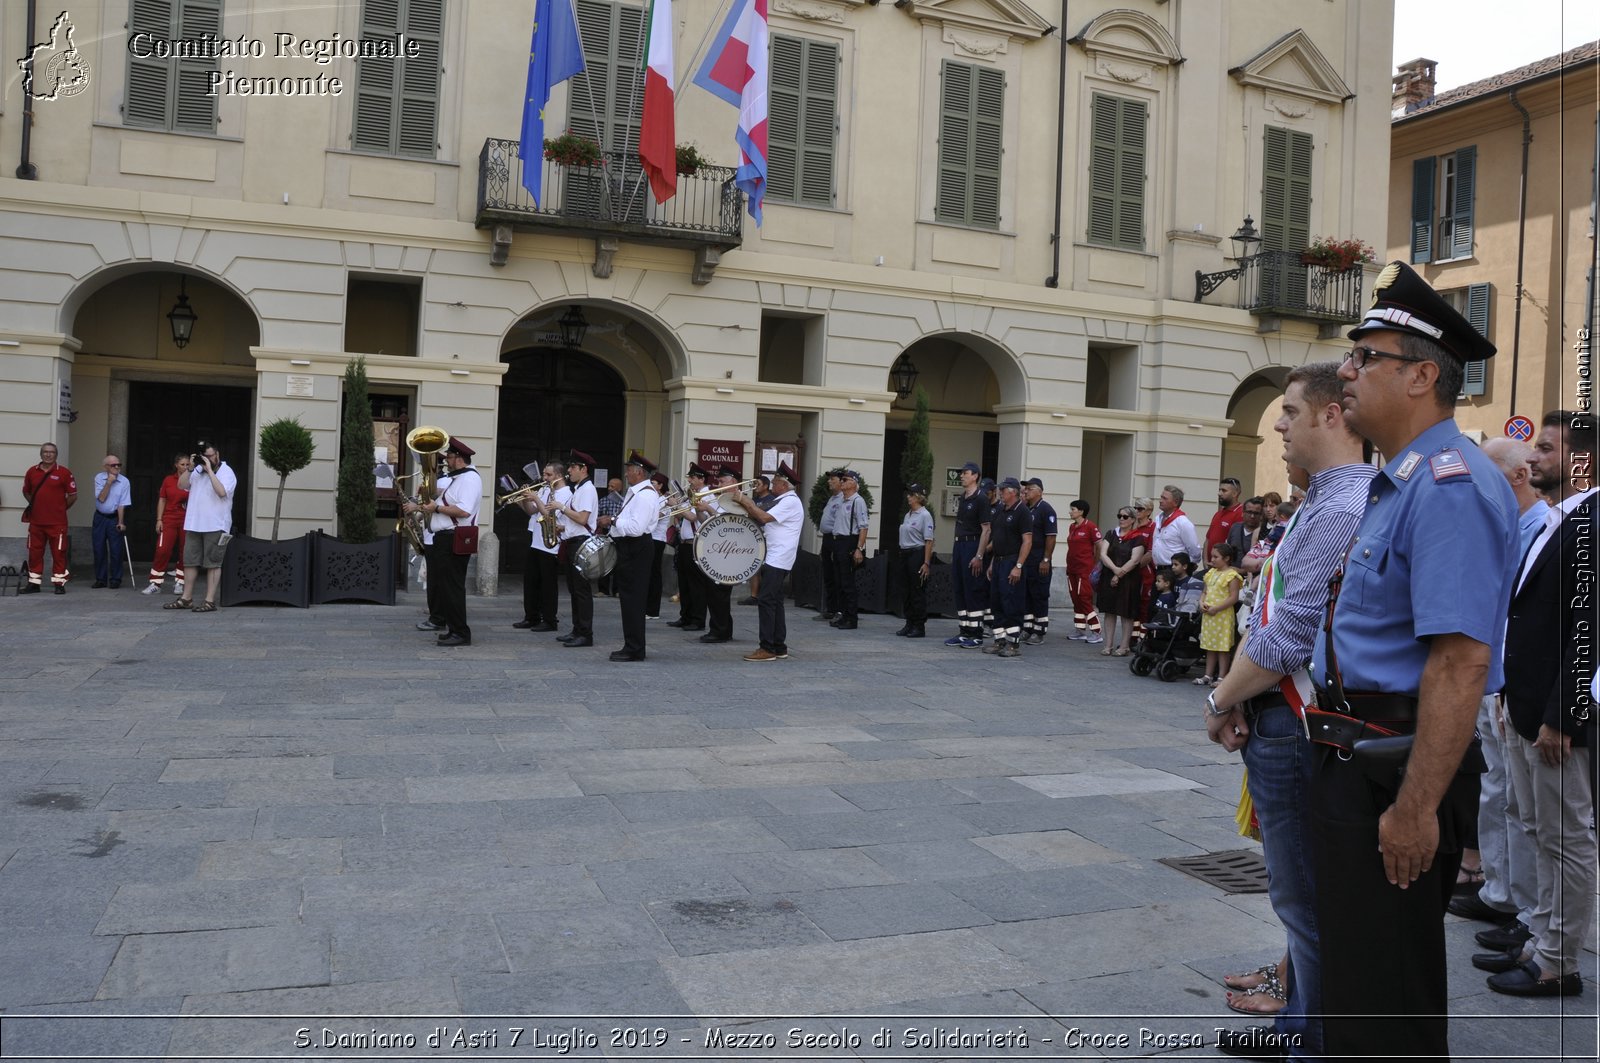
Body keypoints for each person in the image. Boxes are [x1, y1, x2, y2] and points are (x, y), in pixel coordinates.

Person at [1308, 261, 1517, 1060]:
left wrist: (1416, 807)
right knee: (1362, 986)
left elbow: (1461, 663)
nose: (1348, 372)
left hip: (1395, 769)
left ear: (1423, 375)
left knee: (1385, 1003)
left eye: (1367, 358)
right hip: (1361, 757)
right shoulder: (1400, 483)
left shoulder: (1448, 486)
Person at [1204, 360, 1372, 1060]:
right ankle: (1297, 1023)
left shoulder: (1338, 505)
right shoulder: (1323, 497)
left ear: (1331, 415)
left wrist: (1221, 696)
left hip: (1294, 720)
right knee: (1305, 901)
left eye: (1290, 412)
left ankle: (1313, 1043)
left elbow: (1287, 634)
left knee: (1305, 904)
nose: (1277, 424)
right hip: (1279, 712)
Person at [1475, 412, 1596, 999]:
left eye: (1547, 449)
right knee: (1540, 830)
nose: (1533, 459)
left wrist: (1561, 715)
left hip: (1556, 714)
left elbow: (1587, 630)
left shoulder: (1590, 523)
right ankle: (1542, 936)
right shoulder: (1561, 520)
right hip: (1523, 701)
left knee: (1566, 837)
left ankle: (1559, 961)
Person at [1448, 437, 1546, 930]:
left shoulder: (1544, 529)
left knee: (1523, 803)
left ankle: (1524, 909)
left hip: (1516, 680)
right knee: (1497, 790)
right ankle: (1501, 890)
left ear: (1517, 476)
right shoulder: (1504, 524)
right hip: (1494, 674)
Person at [401, 438, 479, 645]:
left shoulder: (469, 479)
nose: (447, 461)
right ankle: (453, 628)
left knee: (453, 588)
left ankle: (461, 633)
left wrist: (434, 508)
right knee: (446, 587)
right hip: (445, 538)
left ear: (460, 459)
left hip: (453, 538)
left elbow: (464, 510)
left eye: (450, 457)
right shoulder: (459, 478)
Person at [730, 462, 804, 661]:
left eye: (775, 482)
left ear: (783, 484)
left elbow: (762, 517)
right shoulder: (784, 499)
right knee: (775, 601)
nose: (772, 486)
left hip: (779, 558)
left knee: (765, 600)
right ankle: (779, 646)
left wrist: (746, 501)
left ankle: (767, 648)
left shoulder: (789, 501)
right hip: (777, 556)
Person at [166, 442, 237, 614]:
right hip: (194, 523)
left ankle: (209, 601)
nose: (208, 459)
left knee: (213, 563)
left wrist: (210, 471)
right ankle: (186, 598)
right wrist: (190, 468)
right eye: (205, 456)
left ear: (217, 455)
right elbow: (181, 485)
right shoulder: (196, 470)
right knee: (190, 561)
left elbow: (221, 492)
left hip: (216, 524)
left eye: (211, 456)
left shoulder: (227, 472)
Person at [608, 452, 661, 662]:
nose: (627, 473)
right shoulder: (636, 492)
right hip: (630, 546)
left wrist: (613, 521)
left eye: (629, 469)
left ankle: (635, 648)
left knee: (634, 600)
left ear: (639, 472)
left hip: (636, 546)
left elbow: (636, 528)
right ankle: (631, 645)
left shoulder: (645, 495)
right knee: (629, 599)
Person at [982, 478, 1033, 658]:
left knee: (1011, 602)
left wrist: (1018, 566)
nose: (1000, 493)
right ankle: (999, 641)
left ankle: (1013, 644)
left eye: (1003, 490)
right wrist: (991, 563)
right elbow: (997, 539)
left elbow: (1027, 541)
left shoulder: (1023, 512)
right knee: (997, 602)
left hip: (1012, 562)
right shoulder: (1000, 512)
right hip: (999, 561)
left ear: (1013, 492)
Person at [513, 461, 566, 633]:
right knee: (531, 582)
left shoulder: (565, 493)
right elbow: (531, 511)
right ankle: (531, 617)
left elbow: (551, 518)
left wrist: (535, 498)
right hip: (536, 541)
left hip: (551, 544)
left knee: (548, 585)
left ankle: (550, 620)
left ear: (558, 476)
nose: (544, 478)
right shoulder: (544, 490)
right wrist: (521, 498)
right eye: (544, 474)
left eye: (548, 475)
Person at [944, 462, 991, 648]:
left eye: (965, 473)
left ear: (975, 476)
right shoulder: (963, 497)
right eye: (961, 473)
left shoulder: (981, 499)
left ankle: (976, 634)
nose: (962, 476)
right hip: (959, 545)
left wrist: (979, 555)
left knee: (973, 589)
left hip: (973, 545)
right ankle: (964, 630)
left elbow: (986, 530)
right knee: (960, 588)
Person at [555, 450, 599, 648]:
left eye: (573, 467)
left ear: (584, 469)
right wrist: (563, 527)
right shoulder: (579, 488)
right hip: (574, 540)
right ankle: (577, 629)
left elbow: (583, 518)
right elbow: (579, 521)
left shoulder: (587, 489)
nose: (569, 471)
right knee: (574, 590)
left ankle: (585, 633)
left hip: (581, 543)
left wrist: (561, 507)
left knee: (581, 591)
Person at [20, 442, 77, 593]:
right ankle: (34, 583)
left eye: (51, 452)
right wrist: (35, 504)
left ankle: (59, 584)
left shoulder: (64, 473)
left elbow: (72, 495)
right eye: (45, 452)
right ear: (41, 454)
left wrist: (60, 508)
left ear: (56, 455)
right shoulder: (32, 471)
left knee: (58, 553)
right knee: (34, 552)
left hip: (57, 522)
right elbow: (26, 491)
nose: (48, 454)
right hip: (36, 521)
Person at [696, 465, 742, 645]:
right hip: (718, 551)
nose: (719, 484)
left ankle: (721, 630)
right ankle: (718, 628)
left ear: (734, 482)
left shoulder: (738, 500)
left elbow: (727, 523)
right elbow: (707, 523)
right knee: (713, 593)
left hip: (729, 553)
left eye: (723, 481)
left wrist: (708, 508)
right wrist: (700, 509)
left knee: (720, 593)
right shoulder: (722, 499)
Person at [1094, 505, 1145, 657]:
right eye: (1119, 516)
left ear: (1133, 520)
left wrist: (1119, 574)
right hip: (1109, 576)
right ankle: (1108, 645)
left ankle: (1124, 646)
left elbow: (1135, 560)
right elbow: (1103, 554)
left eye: (1125, 517)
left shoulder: (1138, 537)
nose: (1121, 519)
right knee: (1109, 611)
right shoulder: (1111, 534)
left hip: (1129, 579)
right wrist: (1115, 570)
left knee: (1126, 612)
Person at [668, 464, 710, 631]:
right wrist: (675, 506)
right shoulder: (691, 495)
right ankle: (685, 616)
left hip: (695, 544)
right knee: (684, 583)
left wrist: (677, 506)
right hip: (684, 543)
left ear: (701, 479)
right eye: (689, 478)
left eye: (693, 478)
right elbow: (682, 516)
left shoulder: (706, 495)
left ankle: (697, 619)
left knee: (696, 585)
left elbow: (693, 517)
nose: (690, 481)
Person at [1196, 542, 1242, 686]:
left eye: (1216, 557)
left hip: (1222, 616)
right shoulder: (1211, 573)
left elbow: (1233, 597)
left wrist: (1217, 608)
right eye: (1212, 556)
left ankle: (1222, 676)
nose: (1213, 559)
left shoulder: (1232, 575)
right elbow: (1205, 591)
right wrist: (1201, 602)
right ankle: (1208, 675)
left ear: (1227, 558)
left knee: (1222, 647)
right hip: (1209, 616)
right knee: (1210, 646)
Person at [143, 454, 191, 595]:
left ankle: (180, 583)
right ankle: (155, 583)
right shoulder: (169, 480)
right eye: (183, 464)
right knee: (162, 550)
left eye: (188, 464)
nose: (186, 467)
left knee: (184, 552)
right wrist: (159, 519)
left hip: (186, 520)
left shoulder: (193, 480)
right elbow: (162, 499)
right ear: (176, 465)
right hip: (169, 519)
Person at [830, 470, 869, 630]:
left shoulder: (857, 501)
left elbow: (863, 527)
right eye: (842, 479)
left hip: (849, 542)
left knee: (848, 583)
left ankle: (852, 619)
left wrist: (859, 548)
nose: (842, 482)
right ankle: (843, 615)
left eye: (845, 479)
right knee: (839, 582)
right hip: (839, 542)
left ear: (854, 483)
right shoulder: (841, 500)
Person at [1020, 478, 1057, 645]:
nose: (1026, 491)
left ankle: (1039, 630)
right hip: (1027, 561)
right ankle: (1027, 628)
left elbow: (1051, 537)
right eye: (1025, 489)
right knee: (1027, 595)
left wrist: (1046, 559)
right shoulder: (1028, 509)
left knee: (1039, 595)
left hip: (1039, 560)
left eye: (1029, 488)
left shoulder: (1046, 509)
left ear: (1039, 491)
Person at [895, 484, 934, 638]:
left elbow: (929, 540)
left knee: (917, 590)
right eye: (908, 494)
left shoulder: (925, 515)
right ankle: (909, 622)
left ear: (919, 496)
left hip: (917, 554)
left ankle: (919, 625)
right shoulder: (908, 514)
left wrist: (926, 563)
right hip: (905, 554)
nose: (908, 497)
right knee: (906, 590)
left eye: (911, 494)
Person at [1063, 498, 1103, 644]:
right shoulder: (1072, 527)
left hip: (1084, 569)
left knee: (1085, 598)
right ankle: (1080, 630)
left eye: (1073, 509)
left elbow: (1099, 545)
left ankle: (1096, 631)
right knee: (1076, 599)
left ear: (1081, 511)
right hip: (1072, 569)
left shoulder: (1090, 527)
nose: (1070, 512)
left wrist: (1096, 564)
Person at [90, 455, 132, 588]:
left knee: (116, 550)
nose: (117, 467)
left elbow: (122, 503)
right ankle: (101, 579)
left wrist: (121, 521)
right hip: (100, 517)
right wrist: (109, 482)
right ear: (106, 467)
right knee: (99, 549)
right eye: (114, 465)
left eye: (119, 465)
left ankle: (115, 579)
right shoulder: (99, 478)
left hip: (114, 517)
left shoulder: (124, 481)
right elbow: (101, 498)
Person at [815, 470, 845, 621]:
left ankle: (838, 610)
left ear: (841, 482)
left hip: (835, 539)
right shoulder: (832, 499)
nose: (829, 482)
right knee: (828, 576)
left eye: (832, 479)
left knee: (836, 575)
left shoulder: (842, 499)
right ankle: (831, 608)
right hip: (827, 539)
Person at [742, 475, 774, 605]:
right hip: (754, 535)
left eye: (757, 484)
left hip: (766, 536)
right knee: (754, 565)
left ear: (766, 486)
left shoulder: (772, 499)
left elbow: (763, 516)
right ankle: (754, 596)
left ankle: (764, 595)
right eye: (754, 484)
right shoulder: (753, 499)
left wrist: (752, 509)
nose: (754, 486)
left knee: (765, 567)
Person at [595, 476, 626, 596]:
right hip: (605, 534)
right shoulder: (603, 501)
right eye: (609, 486)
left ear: (619, 488)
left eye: (612, 486)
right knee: (603, 561)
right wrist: (600, 520)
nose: (609, 489)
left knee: (619, 562)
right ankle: (603, 590)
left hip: (620, 535)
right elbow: (595, 517)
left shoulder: (624, 502)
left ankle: (617, 590)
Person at [647, 471, 671, 619]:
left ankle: (653, 610)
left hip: (657, 540)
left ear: (661, 486)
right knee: (649, 575)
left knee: (654, 575)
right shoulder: (654, 499)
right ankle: (647, 608)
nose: (651, 485)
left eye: (654, 483)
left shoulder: (663, 501)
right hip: (651, 539)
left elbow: (653, 519)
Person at [1206, 477, 1245, 559]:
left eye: (1224, 491)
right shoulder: (1218, 514)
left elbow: (1237, 545)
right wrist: (1206, 560)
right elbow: (1208, 539)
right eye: (1219, 490)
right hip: (1211, 567)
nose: (1219, 493)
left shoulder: (1240, 514)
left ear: (1235, 494)